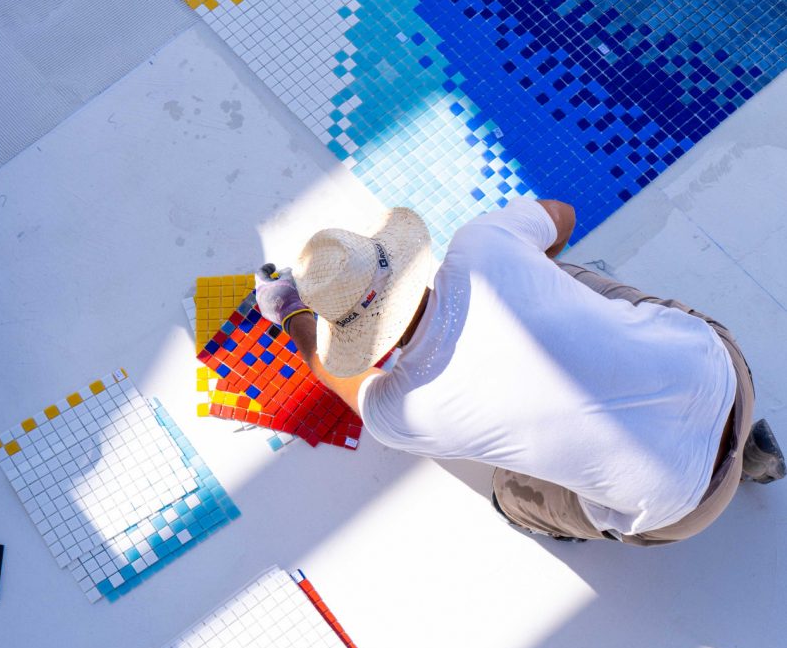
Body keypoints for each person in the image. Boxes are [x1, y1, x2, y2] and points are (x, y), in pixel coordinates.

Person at [254, 197, 785, 544]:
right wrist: (534, 280)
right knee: (558, 273)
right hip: (727, 373)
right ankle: (750, 455)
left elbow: (328, 373)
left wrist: (291, 312)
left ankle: (744, 463)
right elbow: (563, 216)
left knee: (510, 495)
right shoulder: (481, 244)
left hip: (685, 508)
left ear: (346, 334)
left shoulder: (400, 412)